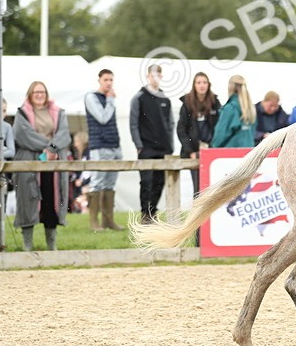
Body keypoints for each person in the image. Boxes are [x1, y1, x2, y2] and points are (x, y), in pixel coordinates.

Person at [14, 81, 71, 251]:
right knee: (28, 200)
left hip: (52, 164)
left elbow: (64, 133)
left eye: (42, 92)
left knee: (51, 202)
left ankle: (52, 246)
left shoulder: (58, 113)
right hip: (30, 162)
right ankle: (27, 245)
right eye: (36, 92)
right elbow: (24, 135)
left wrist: (52, 149)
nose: (40, 95)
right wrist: (49, 146)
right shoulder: (22, 114)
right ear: (30, 94)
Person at [130, 64, 174, 223]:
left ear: (161, 77)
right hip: (146, 148)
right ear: (148, 76)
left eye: (158, 75)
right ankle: (145, 214)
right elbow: (133, 123)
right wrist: (139, 145)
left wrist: (170, 145)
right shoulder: (139, 97)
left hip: (163, 149)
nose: (155, 78)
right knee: (146, 182)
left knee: (160, 182)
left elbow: (170, 124)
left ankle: (152, 212)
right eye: (153, 75)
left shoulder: (165, 99)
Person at [85, 69, 123, 231]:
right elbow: (102, 118)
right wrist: (110, 101)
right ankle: (94, 222)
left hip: (114, 145)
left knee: (110, 183)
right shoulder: (92, 97)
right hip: (99, 146)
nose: (109, 83)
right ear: (99, 80)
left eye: (111, 80)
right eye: (106, 79)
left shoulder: (109, 99)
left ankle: (108, 220)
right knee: (97, 182)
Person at [177, 72, 221, 194]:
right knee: (198, 187)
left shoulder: (215, 103)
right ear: (194, 85)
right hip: (194, 152)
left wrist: (213, 147)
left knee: (212, 187)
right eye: (199, 82)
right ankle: (199, 212)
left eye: (204, 82)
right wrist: (190, 151)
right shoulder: (187, 104)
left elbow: (219, 128)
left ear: (208, 85)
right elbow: (181, 129)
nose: (202, 85)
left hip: (211, 151)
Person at [213, 75, 257, 148]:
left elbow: (221, 134)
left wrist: (213, 146)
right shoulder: (251, 109)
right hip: (249, 152)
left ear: (230, 87)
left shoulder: (230, 108)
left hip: (231, 153)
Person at [68, 131, 90, 214]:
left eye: (76, 142)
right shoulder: (79, 154)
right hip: (81, 183)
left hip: (86, 184)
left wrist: (82, 181)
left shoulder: (88, 153)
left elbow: (88, 169)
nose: (75, 144)